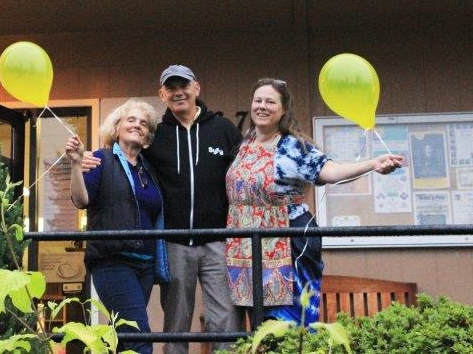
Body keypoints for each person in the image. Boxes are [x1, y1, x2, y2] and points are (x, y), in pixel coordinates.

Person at [82, 65, 244, 352]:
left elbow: (246, 169)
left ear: (196, 88)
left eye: (184, 85)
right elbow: (123, 154)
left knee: (225, 321)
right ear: (162, 94)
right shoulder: (157, 135)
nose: (178, 92)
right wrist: (85, 160)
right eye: (171, 87)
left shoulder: (223, 129)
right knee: (177, 323)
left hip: (218, 241)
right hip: (174, 243)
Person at [225, 78, 403, 325]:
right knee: (256, 324)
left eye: (270, 102)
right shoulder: (245, 144)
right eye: (258, 100)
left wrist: (372, 164)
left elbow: (331, 171)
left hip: (287, 239)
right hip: (246, 243)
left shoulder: (293, 147)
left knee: (287, 321)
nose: (262, 106)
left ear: (284, 110)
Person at [66, 99, 170, 354]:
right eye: (131, 119)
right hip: (112, 261)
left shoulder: (148, 169)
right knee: (138, 337)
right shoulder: (100, 159)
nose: (137, 125)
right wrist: (76, 165)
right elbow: (81, 200)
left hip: (145, 264)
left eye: (144, 123)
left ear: (148, 136)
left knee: (124, 338)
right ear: (117, 127)